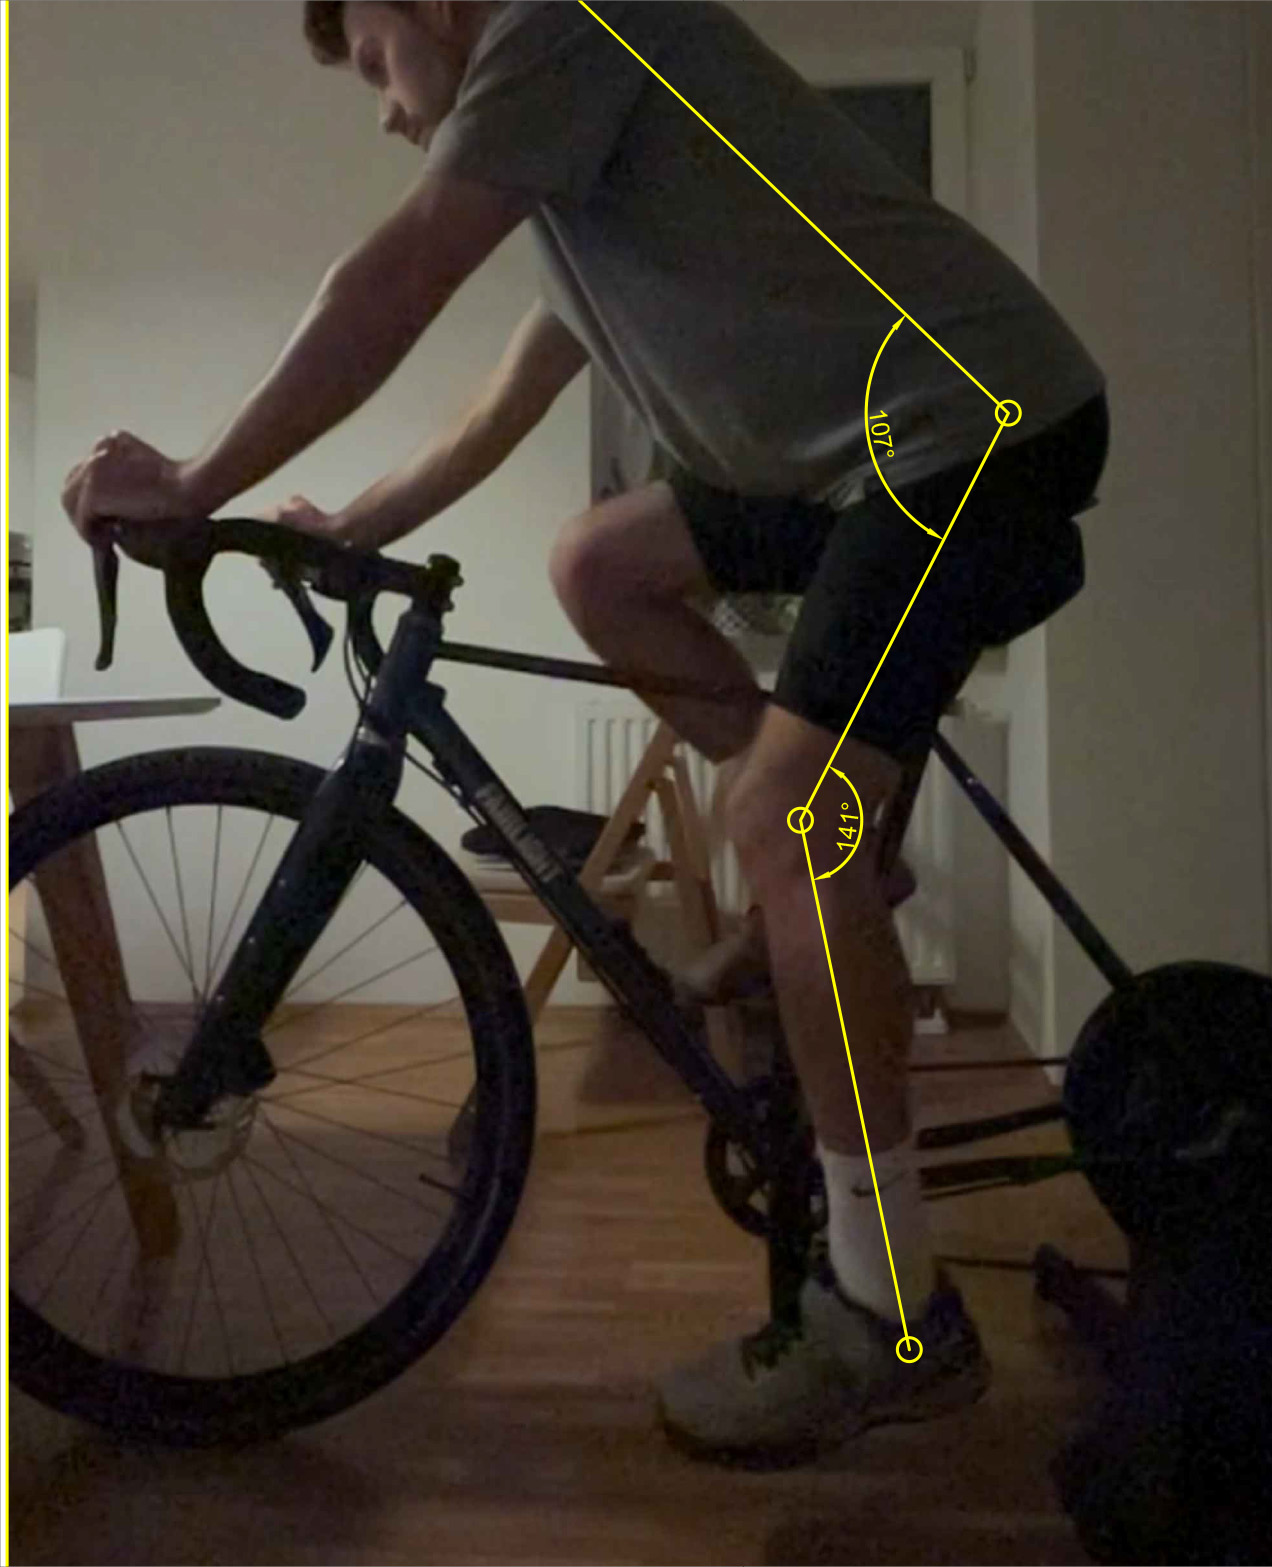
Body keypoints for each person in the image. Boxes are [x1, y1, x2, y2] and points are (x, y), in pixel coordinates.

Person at [63, 0, 1109, 1469]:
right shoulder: (574, 162)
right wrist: (351, 525)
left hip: (972, 434)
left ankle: (893, 1318)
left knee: (779, 821)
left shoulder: (566, 21)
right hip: (871, 464)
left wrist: (197, 479)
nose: (386, 110)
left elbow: (400, 273)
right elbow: (501, 402)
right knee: (595, 564)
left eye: (374, 64)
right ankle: (845, 869)